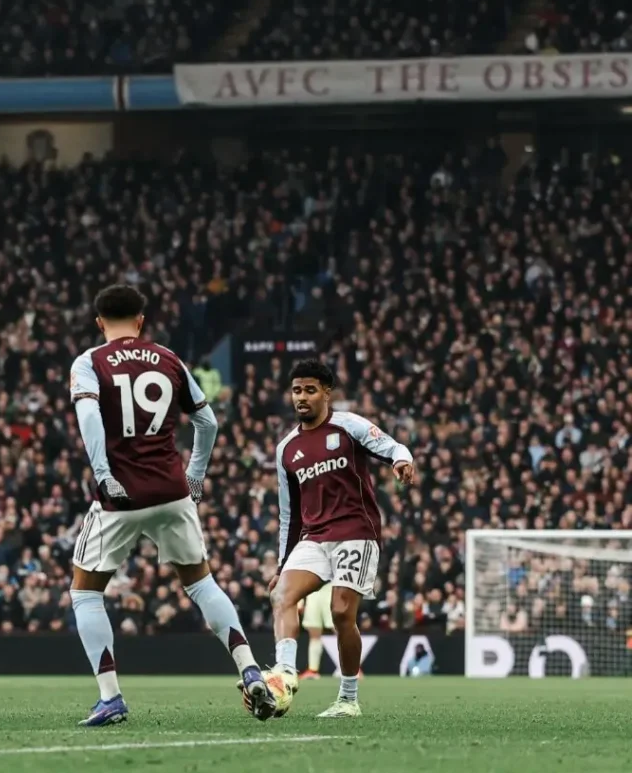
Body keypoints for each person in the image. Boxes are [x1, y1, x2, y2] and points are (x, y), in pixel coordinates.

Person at [68, 284, 275, 726]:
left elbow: (87, 415)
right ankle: (251, 669)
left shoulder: (89, 361)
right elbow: (208, 421)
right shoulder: (168, 358)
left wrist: (103, 473)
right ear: (141, 321)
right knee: (201, 583)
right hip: (172, 490)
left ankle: (111, 697)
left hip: (120, 495)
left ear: (99, 321)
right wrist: (195, 473)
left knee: (85, 591)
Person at [269, 359, 414, 718]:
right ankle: (285, 675)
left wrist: (402, 460)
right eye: (296, 390)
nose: (301, 397)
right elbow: (289, 514)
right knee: (282, 595)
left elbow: (392, 446)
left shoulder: (348, 425)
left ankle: (348, 698)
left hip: (355, 532)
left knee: (340, 613)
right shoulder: (286, 449)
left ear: (326, 393)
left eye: (310, 390)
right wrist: (281, 564)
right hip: (314, 537)